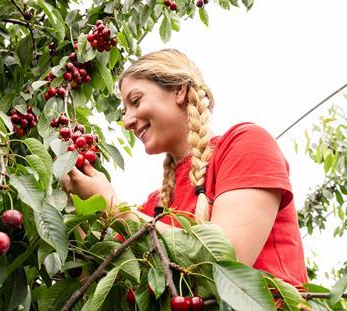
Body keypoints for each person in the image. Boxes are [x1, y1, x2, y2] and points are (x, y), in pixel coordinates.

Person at [61, 49, 308, 287]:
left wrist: (112, 205)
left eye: (136, 101)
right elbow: (96, 277)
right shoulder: (154, 206)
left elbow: (226, 268)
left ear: (179, 90)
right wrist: (76, 203)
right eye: (124, 110)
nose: (126, 121)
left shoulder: (246, 144)